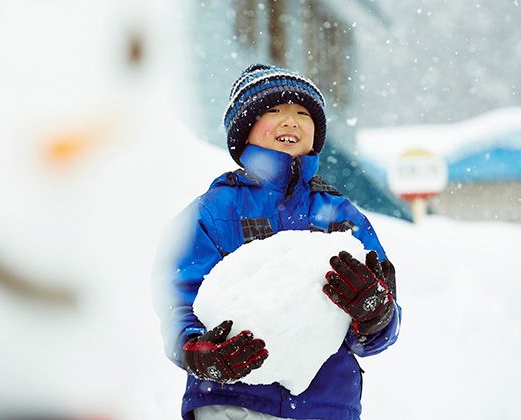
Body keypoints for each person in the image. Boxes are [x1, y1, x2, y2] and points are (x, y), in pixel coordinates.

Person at [154, 64, 402, 420]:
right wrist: (196, 349)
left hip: (325, 405)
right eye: (274, 111)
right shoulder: (215, 211)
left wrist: (376, 314)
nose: (290, 121)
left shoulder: (341, 216)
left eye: (302, 113)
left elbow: (375, 332)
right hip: (234, 402)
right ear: (244, 131)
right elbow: (177, 296)